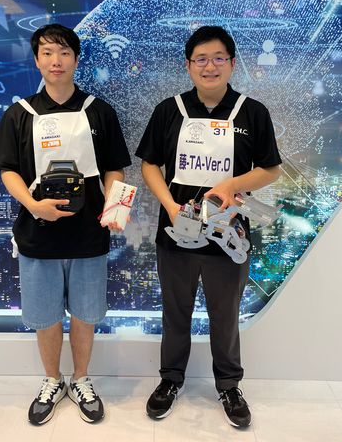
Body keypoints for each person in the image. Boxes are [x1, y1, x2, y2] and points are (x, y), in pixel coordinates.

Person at [136, 26, 281, 428]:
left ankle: (229, 385)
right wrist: (169, 205)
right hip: (176, 232)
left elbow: (270, 168)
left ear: (232, 64)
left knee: (225, 314)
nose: (210, 66)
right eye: (200, 59)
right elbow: (149, 164)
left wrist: (232, 185)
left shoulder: (252, 112)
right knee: (175, 312)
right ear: (188, 66)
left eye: (219, 58)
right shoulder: (169, 111)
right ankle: (170, 380)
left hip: (228, 234)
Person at [0, 23, 131, 426]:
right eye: (48, 52)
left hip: (89, 233)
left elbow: (114, 168)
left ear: (76, 59)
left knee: (85, 314)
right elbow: (8, 170)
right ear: (37, 60)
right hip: (38, 233)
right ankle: (52, 379)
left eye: (64, 52)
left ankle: (81, 379)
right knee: (46, 316)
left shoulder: (99, 111)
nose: (56, 60)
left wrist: (116, 208)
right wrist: (34, 205)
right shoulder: (20, 114)